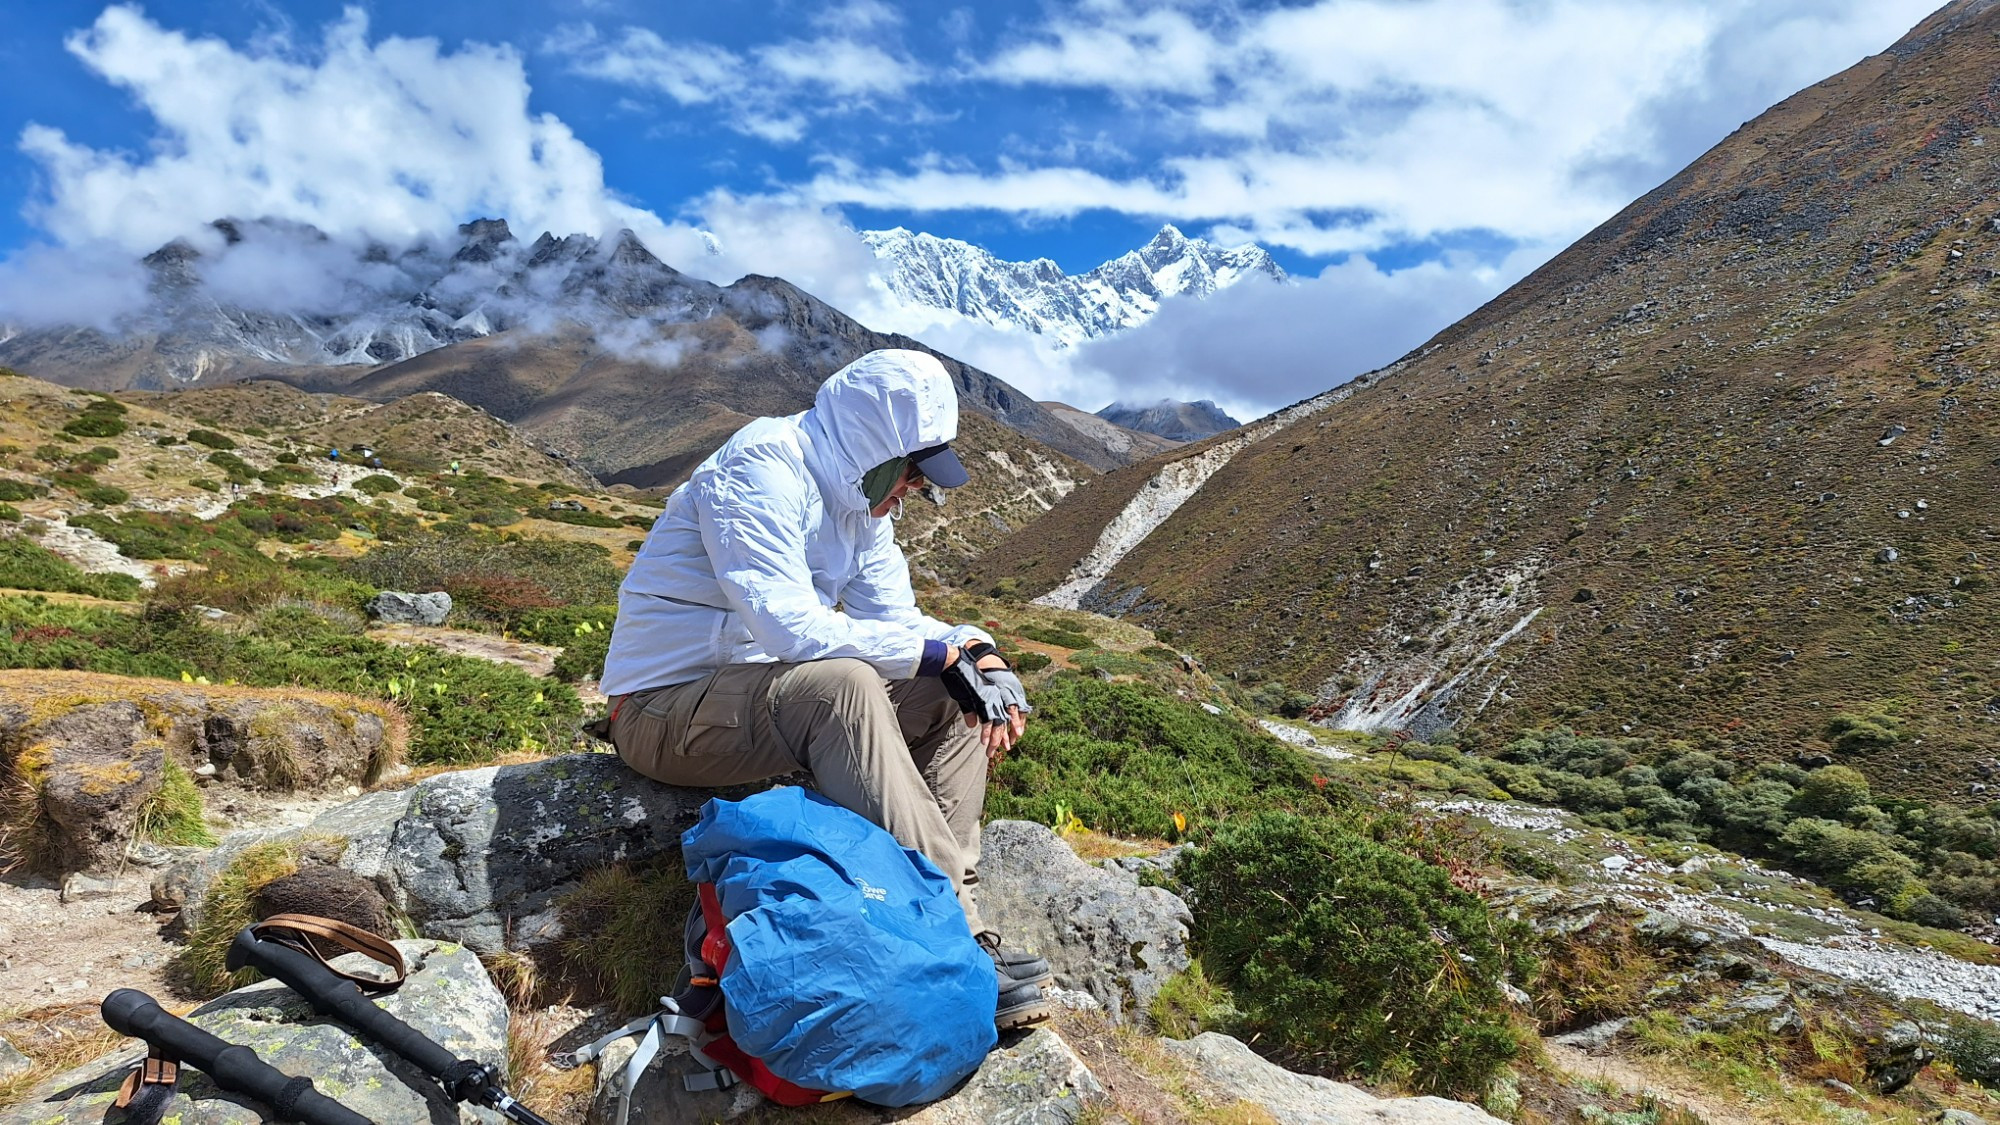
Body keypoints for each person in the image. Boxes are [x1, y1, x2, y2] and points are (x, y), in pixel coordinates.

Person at [597, 348, 1051, 1029]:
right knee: (846, 683)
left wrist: (975, 651)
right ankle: (952, 935)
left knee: (946, 695)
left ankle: (959, 923)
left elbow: (897, 623)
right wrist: (939, 653)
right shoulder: (761, 469)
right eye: (912, 475)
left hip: (762, 700)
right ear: (877, 450)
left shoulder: (860, 508)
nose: (914, 492)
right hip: (663, 708)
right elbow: (789, 628)